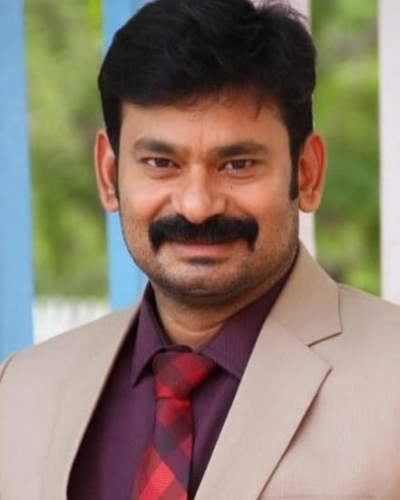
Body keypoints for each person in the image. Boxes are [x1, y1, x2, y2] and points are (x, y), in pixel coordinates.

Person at [1, 0, 400, 498]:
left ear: (307, 173)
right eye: (160, 163)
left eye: (237, 165)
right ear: (109, 175)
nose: (196, 206)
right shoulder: (22, 392)